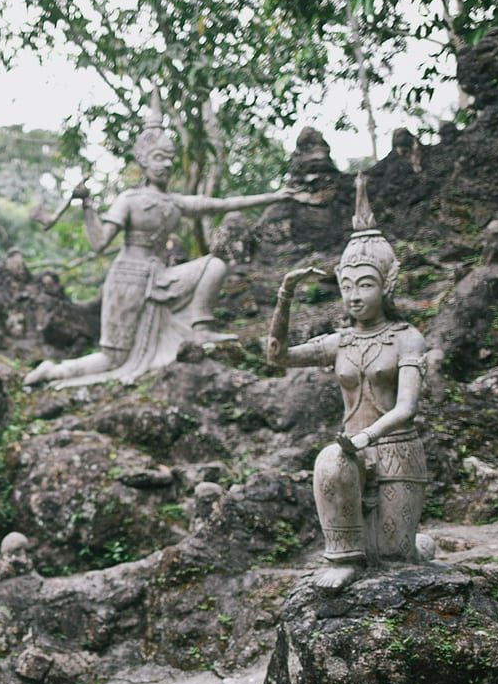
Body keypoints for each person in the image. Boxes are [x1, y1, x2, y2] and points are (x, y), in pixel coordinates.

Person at [24, 105, 295, 386]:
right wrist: (88, 206)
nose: (166, 165)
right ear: (143, 162)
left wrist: (275, 196)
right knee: (114, 358)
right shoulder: (129, 199)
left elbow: (224, 204)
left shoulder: (176, 202)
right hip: (128, 280)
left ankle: (201, 328)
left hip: (163, 278)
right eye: (158, 158)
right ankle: (54, 371)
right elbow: (99, 244)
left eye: (169, 159)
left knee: (213, 265)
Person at [265, 176, 431, 590]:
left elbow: (407, 408)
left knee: (392, 555)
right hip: (349, 452)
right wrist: (285, 296)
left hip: (395, 452)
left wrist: (366, 437)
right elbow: (278, 356)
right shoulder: (339, 342)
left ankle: (419, 544)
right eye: (347, 286)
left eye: (366, 284)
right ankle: (343, 559)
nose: (354, 296)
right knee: (331, 460)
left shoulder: (407, 337)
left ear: (387, 284)